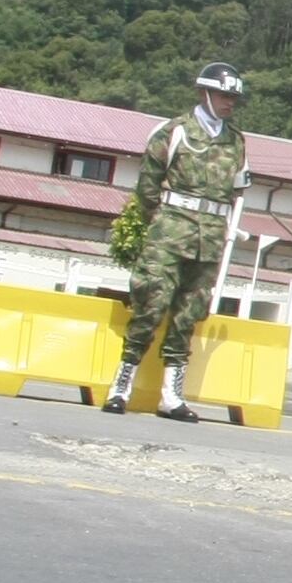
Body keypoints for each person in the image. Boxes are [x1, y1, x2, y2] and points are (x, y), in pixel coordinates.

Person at [107, 62, 249, 420]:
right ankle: (120, 387)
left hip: (211, 234)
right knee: (151, 303)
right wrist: (160, 223)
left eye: (234, 97)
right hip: (170, 230)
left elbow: (236, 191)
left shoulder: (236, 141)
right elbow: (147, 187)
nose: (229, 102)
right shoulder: (173, 132)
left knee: (189, 314)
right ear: (204, 93)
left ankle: (171, 396)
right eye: (223, 95)